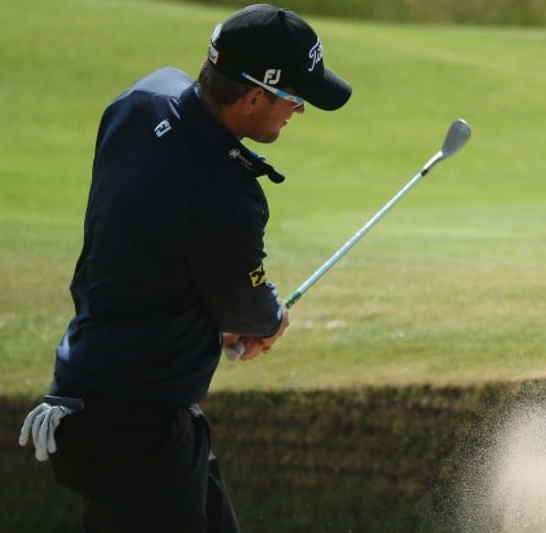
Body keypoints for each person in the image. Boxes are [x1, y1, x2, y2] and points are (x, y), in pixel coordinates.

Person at [18, 5, 352, 531]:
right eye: (295, 97)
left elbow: (160, 252)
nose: (301, 110)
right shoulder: (225, 194)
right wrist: (270, 321)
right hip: (137, 429)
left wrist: (223, 320)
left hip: (103, 400)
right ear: (254, 96)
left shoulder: (142, 101)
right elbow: (247, 306)